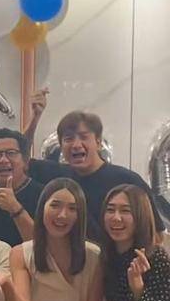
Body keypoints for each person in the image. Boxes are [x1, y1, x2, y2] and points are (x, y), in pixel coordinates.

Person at [26, 103, 164, 240]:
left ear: (98, 143)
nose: (76, 144)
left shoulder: (128, 180)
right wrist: (34, 119)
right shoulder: (57, 177)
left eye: (84, 137)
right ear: (61, 146)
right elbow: (20, 159)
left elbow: (156, 234)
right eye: (69, 139)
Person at [0, 128, 43, 247]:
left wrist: (15, 208)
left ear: (25, 160)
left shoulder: (43, 195)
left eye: (11, 153)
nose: (3, 160)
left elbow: (43, 247)